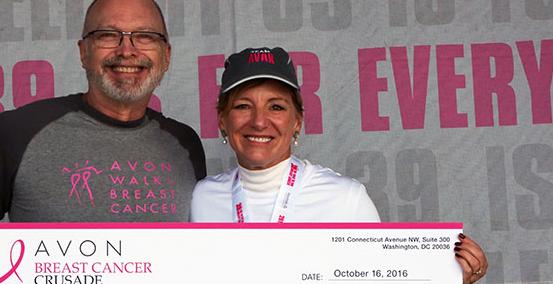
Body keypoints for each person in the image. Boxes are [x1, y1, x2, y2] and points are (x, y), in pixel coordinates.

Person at [0, 0, 206, 283]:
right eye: (108, 35)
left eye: (145, 36)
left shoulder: (185, 144)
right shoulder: (16, 132)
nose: (127, 50)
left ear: (166, 56)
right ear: (83, 52)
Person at [190, 47, 488, 283]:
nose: (258, 121)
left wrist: (444, 277)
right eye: (243, 106)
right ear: (222, 119)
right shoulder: (201, 198)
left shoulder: (345, 198)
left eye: (276, 106)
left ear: (297, 122)